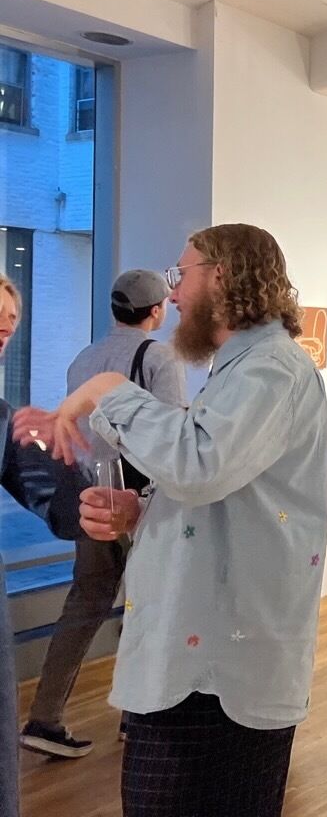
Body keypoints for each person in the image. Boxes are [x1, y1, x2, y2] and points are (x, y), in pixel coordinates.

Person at [15, 224, 327, 817]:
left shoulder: (272, 369)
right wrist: (142, 510)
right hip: (197, 659)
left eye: (181, 274)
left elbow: (198, 462)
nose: (176, 293)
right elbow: (221, 485)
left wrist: (109, 388)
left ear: (225, 276)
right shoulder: (239, 370)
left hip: (222, 668)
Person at [20, 269, 187, 758]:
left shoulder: (84, 359)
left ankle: (44, 717)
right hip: (137, 500)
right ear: (156, 311)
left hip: (88, 495)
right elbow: (172, 434)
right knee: (149, 602)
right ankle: (137, 717)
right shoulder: (160, 356)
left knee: (84, 602)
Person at [0, 273, 87, 817]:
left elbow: (62, 508)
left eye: (10, 321)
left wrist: (68, 458)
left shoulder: (5, 420)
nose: (6, 328)